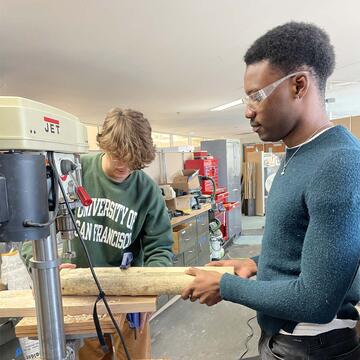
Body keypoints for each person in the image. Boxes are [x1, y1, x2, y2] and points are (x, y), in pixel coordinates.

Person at [181, 22, 360, 359]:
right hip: (285, 337)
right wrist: (255, 262)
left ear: (299, 85)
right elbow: (303, 249)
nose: (248, 111)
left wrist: (226, 286)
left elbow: (316, 301)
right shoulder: (298, 153)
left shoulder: (338, 163)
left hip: (311, 344)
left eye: (257, 96)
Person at [23, 108, 174, 360]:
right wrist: (49, 270)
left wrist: (150, 290)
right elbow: (32, 229)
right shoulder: (72, 173)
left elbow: (160, 246)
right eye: (118, 157)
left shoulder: (146, 190)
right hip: (81, 294)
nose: (124, 166)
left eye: (133, 162)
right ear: (104, 145)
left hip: (129, 295)